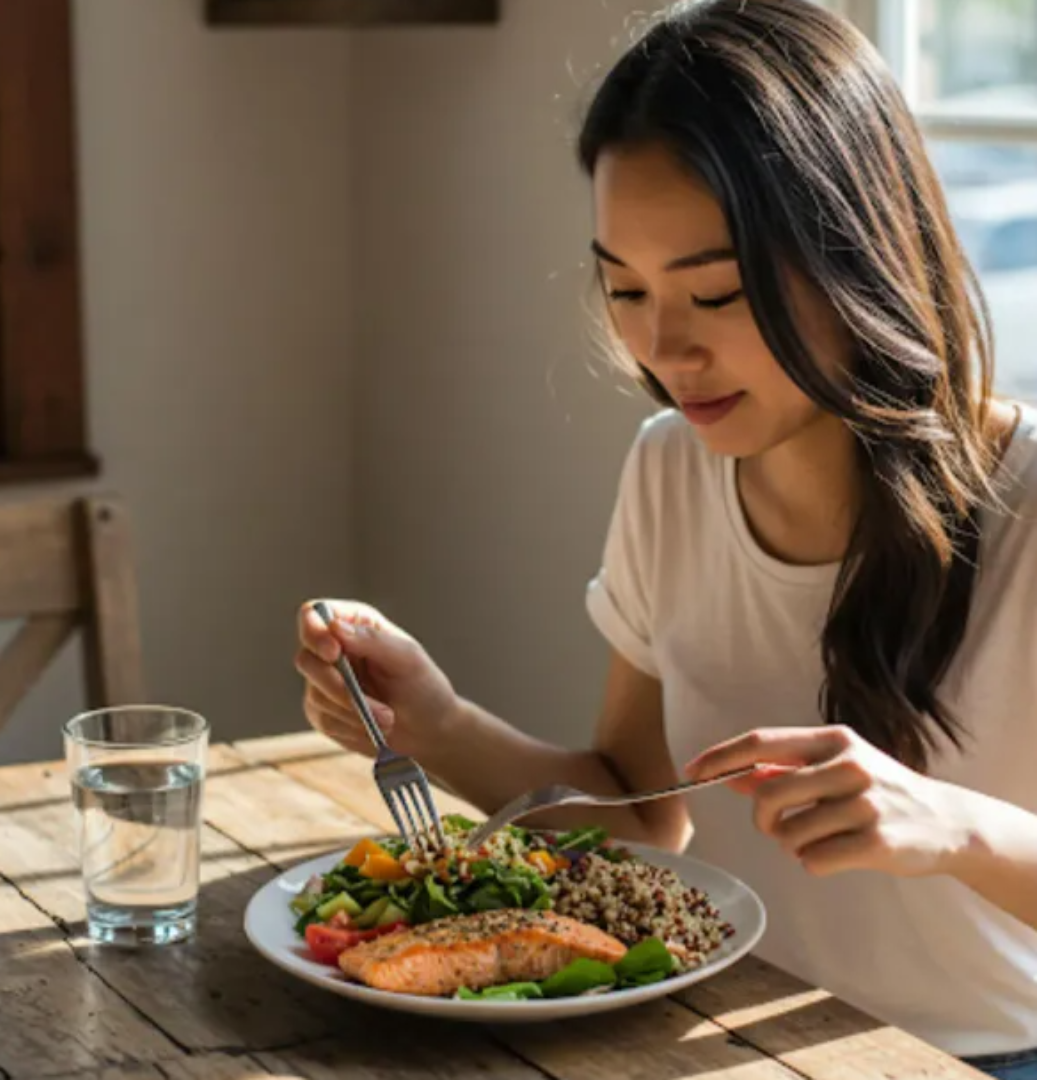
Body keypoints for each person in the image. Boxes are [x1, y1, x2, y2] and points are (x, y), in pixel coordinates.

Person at [293, 1, 1037, 1075]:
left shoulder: (1026, 505)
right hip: (725, 1038)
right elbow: (644, 819)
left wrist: (957, 827)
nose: (661, 346)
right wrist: (436, 724)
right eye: (626, 288)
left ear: (860, 256)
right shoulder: (669, 469)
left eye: (715, 291)